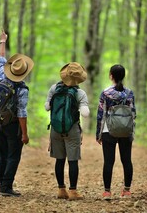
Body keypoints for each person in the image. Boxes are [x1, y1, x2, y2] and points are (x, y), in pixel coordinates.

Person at [0, 30, 34, 197]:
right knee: (13, 155)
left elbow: (1, 59)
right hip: (13, 125)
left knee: (1, 153)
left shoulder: (2, 77)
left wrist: (3, 41)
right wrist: (24, 133)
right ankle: (7, 187)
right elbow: (22, 113)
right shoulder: (22, 89)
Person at [45, 62, 90, 200]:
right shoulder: (80, 93)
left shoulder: (54, 88)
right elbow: (85, 113)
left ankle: (61, 190)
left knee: (59, 160)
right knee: (73, 161)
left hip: (55, 129)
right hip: (72, 130)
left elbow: (47, 107)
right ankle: (73, 191)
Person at [96, 64, 136, 200]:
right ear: (123, 76)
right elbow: (133, 114)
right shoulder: (129, 93)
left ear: (111, 75)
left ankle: (107, 192)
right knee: (126, 161)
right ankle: (127, 191)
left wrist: (99, 134)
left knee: (108, 161)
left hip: (109, 130)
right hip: (126, 131)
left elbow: (101, 115)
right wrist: (132, 132)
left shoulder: (105, 93)